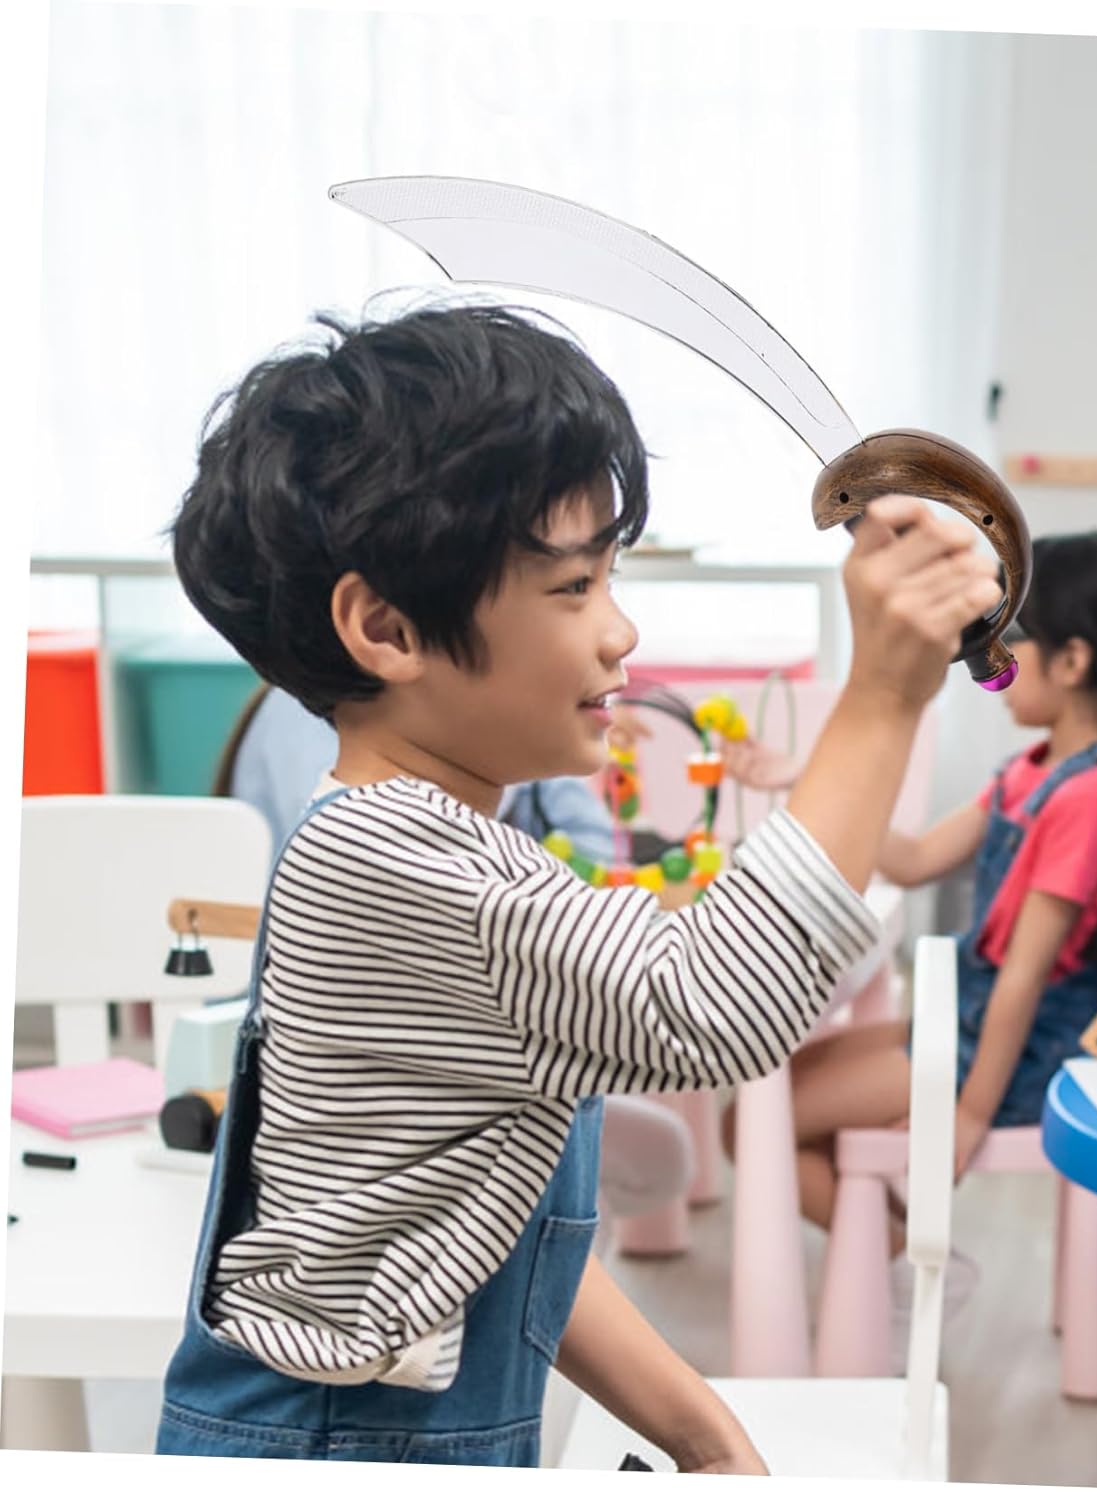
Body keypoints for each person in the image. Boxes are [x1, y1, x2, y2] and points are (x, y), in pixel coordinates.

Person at [153, 300, 1001, 1471]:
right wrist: (886, 695)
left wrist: (704, 1435)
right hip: (336, 1453)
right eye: (573, 588)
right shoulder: (395, 865)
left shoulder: (444, 843)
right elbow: (715, 1006)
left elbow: (492, 1232)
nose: (620, 632)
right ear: (387, 628)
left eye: (613, 577)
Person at [738, 532, 1097, 1303]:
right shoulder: (1030, 773)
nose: (988, 664)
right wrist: (808, 779)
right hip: (964, 1019)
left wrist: (967, 1115)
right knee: (764, 1097)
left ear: (1070, 662)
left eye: (1007, 641)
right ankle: (906, 1261)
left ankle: (908, 1273)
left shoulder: (1085, 801)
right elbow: (915, 858)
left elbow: (1024, 979)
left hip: (1011, 1058)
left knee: (755, 1125)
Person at [211, 683, 690, 1250]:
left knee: (651, 1154)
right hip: (353, 1070)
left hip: (454, 1037)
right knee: (573, 1167)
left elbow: (596, 859)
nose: (616, 644)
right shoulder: (350, 787)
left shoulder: (486, 738)